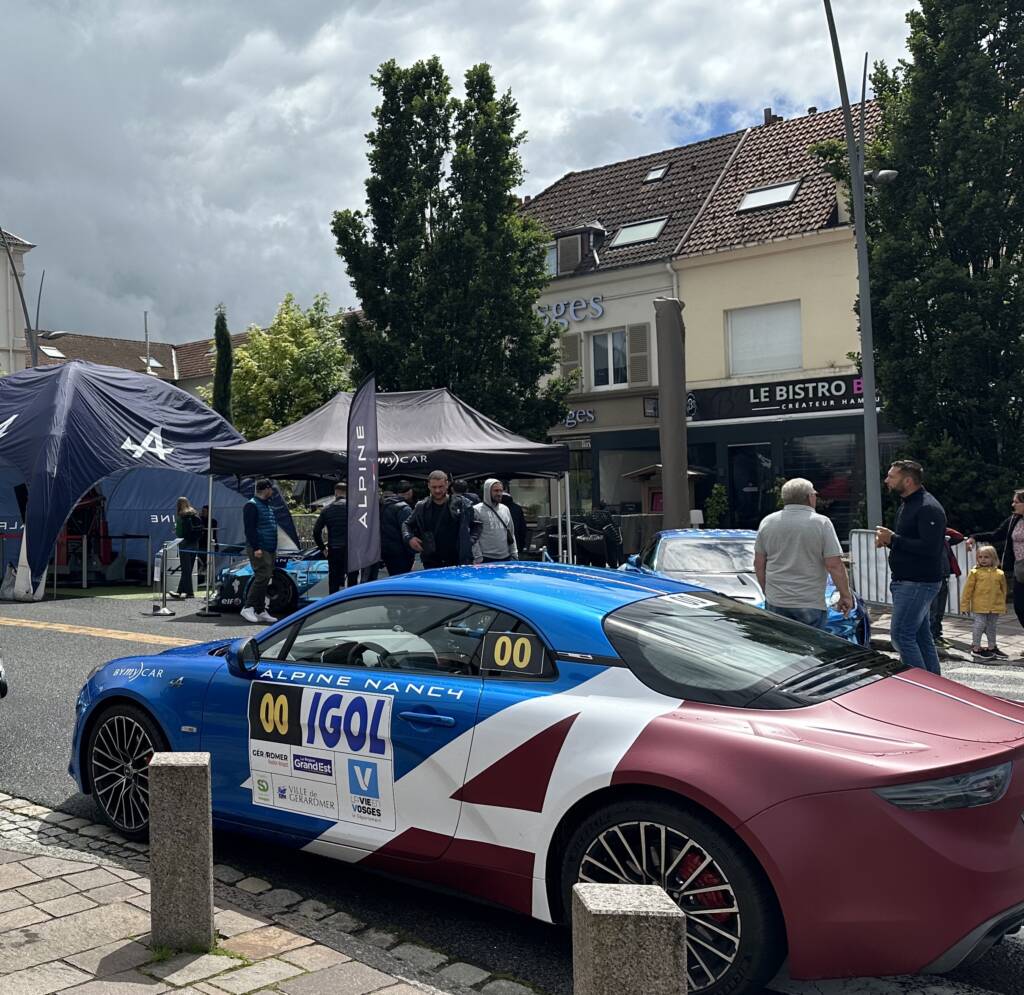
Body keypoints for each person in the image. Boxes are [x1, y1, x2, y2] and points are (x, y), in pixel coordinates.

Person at [875, 459, 947, 675]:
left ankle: (920, 685)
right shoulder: (909, 503)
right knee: (919, 636)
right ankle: (933, 683)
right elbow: (911, 541)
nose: (886, 480)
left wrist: (893, 539)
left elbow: (930, 548)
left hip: (917, 583)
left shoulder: (927, 507)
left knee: (901, 636)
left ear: (907, 481)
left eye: (891, 476)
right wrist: (890, 540)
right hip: (911, 582)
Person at [753, 478, 854, 628]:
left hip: (776, 601)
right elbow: (834, 565)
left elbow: (759, 563)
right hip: (809, 601)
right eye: (814, 494)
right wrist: (845, 595)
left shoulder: (768, 522)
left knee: (780, 642)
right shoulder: (821, 523)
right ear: (809, 497)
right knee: (810, 642)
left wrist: (767, 591)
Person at [967, 490, 1024, 648]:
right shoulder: (1014, 520)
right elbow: (996, 534)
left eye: (1016, 502)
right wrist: (974, 537)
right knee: (1020, 607)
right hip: (1020, 569)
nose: (1013, 504)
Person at [403, 469, 480, 568]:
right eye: (434, 487)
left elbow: (477, 525)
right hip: (432, 560)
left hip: (458, 560)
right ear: (428, 486)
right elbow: (406, 524)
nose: (437, 490)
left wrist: (468, 542)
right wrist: (409, 538)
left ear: (447, 485)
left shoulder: (462, 504)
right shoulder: (422, 506)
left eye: (440, 487)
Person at [959, 544, 1008, 661]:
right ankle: (976, 647)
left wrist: (1002, 606)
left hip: (994, 607)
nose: (983, 560)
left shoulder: (1000, 573)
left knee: (992, 627)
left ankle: (992, 647)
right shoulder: (975, 573)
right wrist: (964, 606)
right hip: (979, 606)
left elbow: (1003, 591)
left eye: (986, 557)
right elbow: (967, 591)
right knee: (979, 625)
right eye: (980, 557)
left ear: (993, 558)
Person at [241, 479, 278, 624]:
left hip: (269, 547)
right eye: (271, 489)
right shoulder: (251, 505)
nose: (272, 491)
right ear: (266, 489)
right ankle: (248, 607)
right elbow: (249, 529)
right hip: (259, 548)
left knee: (266, 578)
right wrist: (256, 547)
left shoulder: (265, 505)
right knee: (262, 576)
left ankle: (260, 610)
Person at [314, 482, 359, 594]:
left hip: (334, 549)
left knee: (334, 580)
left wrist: (323, 548)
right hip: (351, 550)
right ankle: (352, 600)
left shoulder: (327, 509)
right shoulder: (354, 508)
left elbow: (316, 532)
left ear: (335, 492)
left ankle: (334, 602)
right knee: (352, 579)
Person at [929, 526, 964, 647]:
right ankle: (931, 637)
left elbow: (958, 536)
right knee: (932, 611)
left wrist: (942, 528)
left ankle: (937, 634)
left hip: (943, 578)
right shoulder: (927, 540)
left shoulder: (944, 540)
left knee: (940, 610)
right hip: (932, 579)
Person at [473, 479, 519, 563]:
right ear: (487, 491)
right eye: (496, 491)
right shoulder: (477, 510)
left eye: (501, 491)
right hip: (486, 558)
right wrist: (478, 557)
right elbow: (474, 536)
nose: (499, 494)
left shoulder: (505, 509)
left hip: (506, 557)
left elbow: (511, 533)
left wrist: (514, 552)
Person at [171, 497, 203, 600]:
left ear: (178, 505)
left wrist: (176, 530)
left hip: (185, 543)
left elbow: (179, 533)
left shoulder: (181, 515)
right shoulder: (194, 513)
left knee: (186, 570)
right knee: (188, 570)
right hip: (195, 543)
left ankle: (190, 593)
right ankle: (179, 592)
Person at [380, 481, 415, 576]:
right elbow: (407, 531)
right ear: (409, 492)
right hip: (401, 552)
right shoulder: (404, 508)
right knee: (403, 577)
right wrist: (411, 552)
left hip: (387, 550)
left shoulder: (385, 505)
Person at [197, 504, 219, 586]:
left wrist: (201, 519)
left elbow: (207, 527)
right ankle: (201, 577)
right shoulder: (199, 520)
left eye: (205, 511)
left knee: (208, 563)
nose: (203, 513)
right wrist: (199, 518)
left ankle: (208, 579)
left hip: (210, 546)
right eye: (202, 511)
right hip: (201, 546)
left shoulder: (213, 521)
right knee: (200, 561)